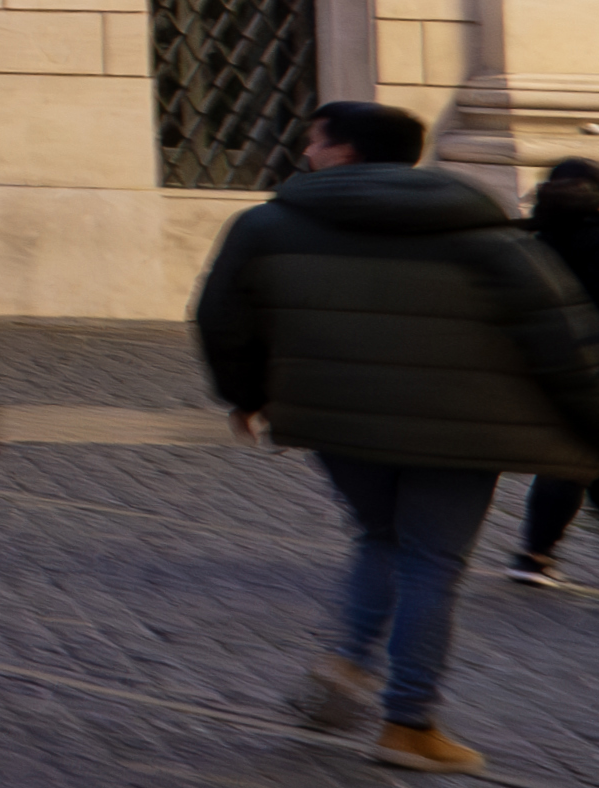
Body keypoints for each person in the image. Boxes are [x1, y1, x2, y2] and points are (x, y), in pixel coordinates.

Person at [192, 91, 599, 775]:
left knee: (379, 536)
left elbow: (219, 317)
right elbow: (562, 339)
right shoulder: (487, 233)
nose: (306, 153)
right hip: (464, 428)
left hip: (336, 418)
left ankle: (351, 662)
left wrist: (246, 395)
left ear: (345, 151)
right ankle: (409, 722)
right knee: (432, 562)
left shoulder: (264, 226)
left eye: (316, 141)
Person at [523, 145, 599, 593]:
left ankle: (535, 552)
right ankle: (534, 553)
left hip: (552, 365)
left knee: (566, 462)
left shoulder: (535, 240)